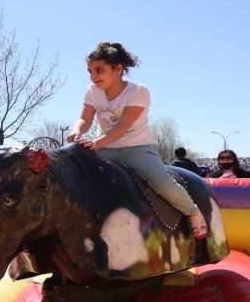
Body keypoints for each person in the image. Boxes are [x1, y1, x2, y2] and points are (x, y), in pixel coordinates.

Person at [66, 41, 207, 240]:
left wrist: (96, 144)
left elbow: (122, 126)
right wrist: (77, 131)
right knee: (76, 178)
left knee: (162, 184)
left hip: (137, 148)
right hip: (105, 148)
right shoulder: (92, 91)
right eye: (90, 71)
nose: (93, 77)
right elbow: (85, 118)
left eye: (99, 70)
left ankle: (193, 212)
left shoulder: (138, 92)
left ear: (118, 69)